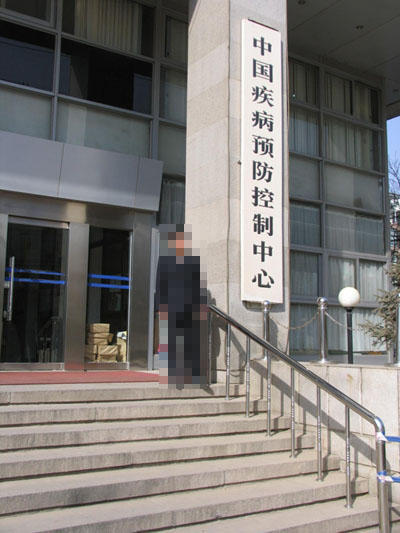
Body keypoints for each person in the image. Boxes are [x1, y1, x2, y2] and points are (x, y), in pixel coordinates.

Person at [156, 224, 207, 388]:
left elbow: (198, 286)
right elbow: (160, 284)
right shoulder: (165, 259)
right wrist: (159, 307)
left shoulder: (193, 260)